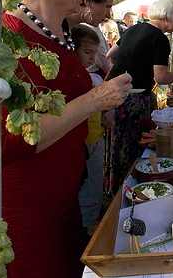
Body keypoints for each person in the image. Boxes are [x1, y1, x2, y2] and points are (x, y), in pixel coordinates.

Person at [0, 0, 132, 278]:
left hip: (62, 206)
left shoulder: (62, 35)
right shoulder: (7, 41)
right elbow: (5, 139)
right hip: (25, 216)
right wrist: (93, 101)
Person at [105, 0, 173, 195]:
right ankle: (131, 190)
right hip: (133, 97)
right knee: (133, 146)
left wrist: (129, 67)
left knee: (115, 143)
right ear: (166, 16)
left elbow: (111, 55)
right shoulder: (159, 38)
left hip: (112, 92)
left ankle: (114, 188)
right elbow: (162, 77)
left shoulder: (132, 29)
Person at [71, 24, 114, 229]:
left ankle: (91, 217)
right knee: (88, 183)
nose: (92, 58)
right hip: (84, 143)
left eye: (95, 53)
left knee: (95, 180)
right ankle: (87, 224)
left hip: (95, 139)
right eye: (87, 52)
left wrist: (109, 111)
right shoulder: (75, 81)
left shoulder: (94, 78)